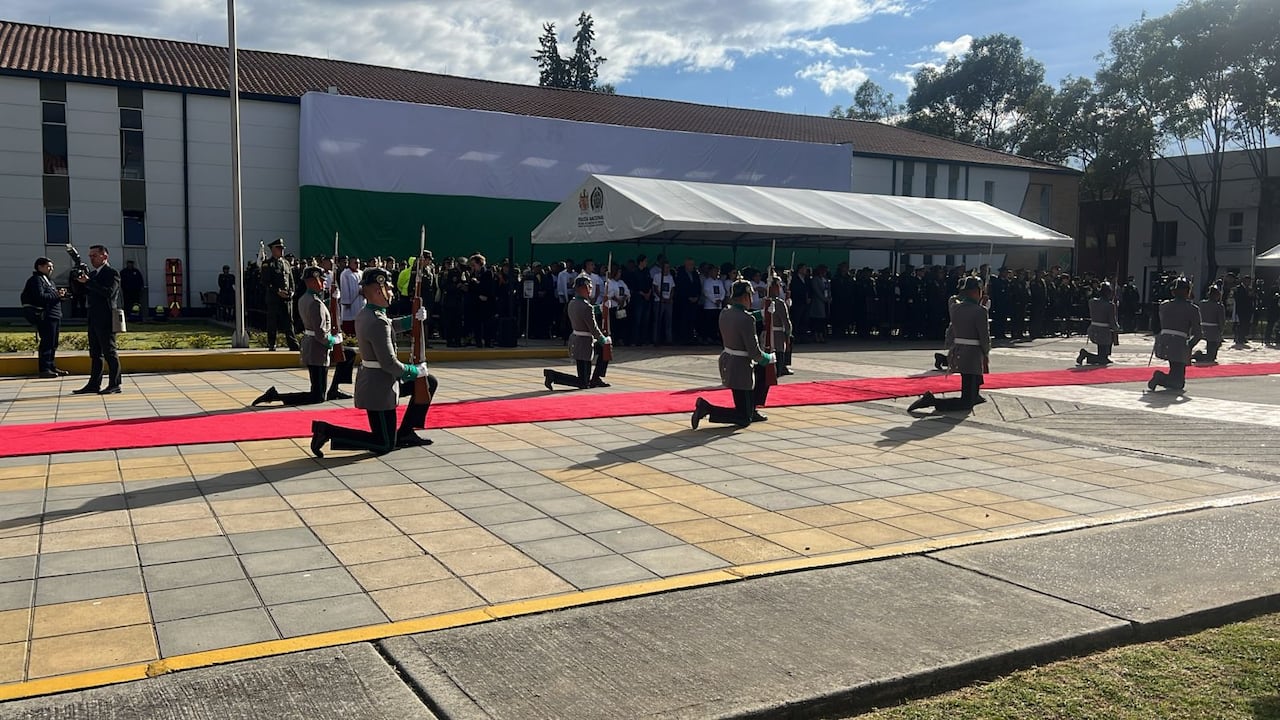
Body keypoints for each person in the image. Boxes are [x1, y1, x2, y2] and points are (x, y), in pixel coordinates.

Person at [309, 267, 434, 458]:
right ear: (379, 290)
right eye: (390, 288)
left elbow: (391, 326)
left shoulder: (368, 313)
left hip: (378, 382)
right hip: (379, 387)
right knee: (384, 445)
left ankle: (405, 432)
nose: (392, 293)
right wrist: (415, 371)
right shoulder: (377, 321)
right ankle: (327, 431)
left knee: (429, 382)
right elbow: (389, 364)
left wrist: (413, 320)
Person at [691, 279, 776, 429]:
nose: (751, 300)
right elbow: (754, 352)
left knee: (746, 409)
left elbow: (740, 319)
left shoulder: (726, 312)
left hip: (729, 361)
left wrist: (762, 314)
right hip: (741, 368)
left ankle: (750, 411)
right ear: (745, 297)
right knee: (744, 418)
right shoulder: (746, 319)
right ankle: (707, 408)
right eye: (750, 296)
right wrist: (769, 358)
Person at [252, 266, 342, 407]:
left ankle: (276, 396)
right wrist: (333, 340)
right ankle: (275, 396)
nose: (324, 283)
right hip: (317, 349)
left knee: (318, 393)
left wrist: (333, 300)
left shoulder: (305, 299)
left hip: (310, 346)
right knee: (317, 396)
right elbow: (320, 333)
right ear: (313, 281)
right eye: (322, 280)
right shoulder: (315, 303)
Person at [908, 276, 990, 413]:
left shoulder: (955, 307)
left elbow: (955, 299)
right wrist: (986, 353)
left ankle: (974, 395)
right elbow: (984, 337)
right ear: (977, 291)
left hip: (959, 351)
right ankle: (931, 400)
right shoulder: (980, 311)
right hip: (973, 354)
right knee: (966, 403)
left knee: (973, 384)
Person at [543, 275, 611, 390]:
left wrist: (600, 307)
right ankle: (553, 376)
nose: (590, 289)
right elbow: (593, 328)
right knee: (583, 383)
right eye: (589, 287)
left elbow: (585, 312)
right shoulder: (586, 307)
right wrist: (604, 340)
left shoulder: (573, 302)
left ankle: (595, 378)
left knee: (603, 350)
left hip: (576, 340)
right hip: (584, 344)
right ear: (584, 288)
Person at [72, 245, 123, 395]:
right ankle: (94, 383)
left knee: (109, 352)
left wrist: (88, 282)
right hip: (93, 317)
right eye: (90, 256)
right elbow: (83, 292)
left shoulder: (112, 273)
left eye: (94, 255)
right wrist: (77, 279)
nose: (91, 258)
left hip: (106, 317)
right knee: (95, 353)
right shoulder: (93, 275)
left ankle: (115, 384)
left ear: (104, 256)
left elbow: (108, 292)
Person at [1148, 277, 1202, 393]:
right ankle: (1160, 377)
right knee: (1178, 383)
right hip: (1180, 343)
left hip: (1164, 341)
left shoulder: (1164, 305)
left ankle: (1165, 378)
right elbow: (1198, 334)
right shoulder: (1192, 309)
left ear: (1173, 292)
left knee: (1176, 374)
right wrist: (1189, 346)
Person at [22, 257, 68, 378]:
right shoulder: (36, 280)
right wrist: (56, 294)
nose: (51, 269)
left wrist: (60, 296)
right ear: (39, 267)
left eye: (52, 267)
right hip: (45, 316)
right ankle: (44, 368)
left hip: (55, 314)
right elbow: (40, 297)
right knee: (47, 342)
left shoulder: (49, 281)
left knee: (53, 343)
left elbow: (52, 296)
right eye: (48, 266)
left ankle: (51, 366)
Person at [261, 238, 299, 351]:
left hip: (287, 298)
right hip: (274, 298)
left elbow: (291, 280)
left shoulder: (286, 263)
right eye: (279, 248)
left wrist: (291, 291)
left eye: (282, 248)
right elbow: (266, 282)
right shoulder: (268, 264)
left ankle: (293, 343)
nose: (281, 251)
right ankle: (272, 343)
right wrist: (278, 291)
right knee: (272, 321)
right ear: (273, 250)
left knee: (289, 321)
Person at [1076, 282, 1120, 366]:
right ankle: (1085, 354)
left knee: (1103, 355)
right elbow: (1112, 321)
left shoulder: (1092, 302)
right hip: (1103, 332)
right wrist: (1117, 328)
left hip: (1093, 329)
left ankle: (1101, 357)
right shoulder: (1110, 305)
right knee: (1102, 360)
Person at [1192, 286, 1226, 364]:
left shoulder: (1202, 303)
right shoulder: (1219, 306)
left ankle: (1198, 355)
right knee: (1211, 356)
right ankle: (1198, 355)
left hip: (1202, 327)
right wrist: (1221, 331)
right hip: (1213, 331)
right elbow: (1221, 321)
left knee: (1211, 353)